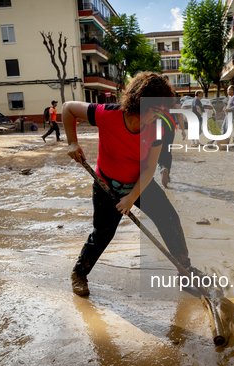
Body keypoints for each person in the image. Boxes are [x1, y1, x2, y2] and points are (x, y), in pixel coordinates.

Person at [63, 72, 203, 296]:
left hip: (140, 183)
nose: (159, 116)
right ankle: (79, 273)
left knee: (170, 219)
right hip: (106, 183)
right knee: (103, 233)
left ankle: (185, 272)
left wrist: (131, 197)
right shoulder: (107, 114)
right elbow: (68, 108)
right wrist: (72, 142)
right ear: (139, 101)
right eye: (155, 109)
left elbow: (149, 169)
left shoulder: (158, 126)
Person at [158, 92, 186, 187]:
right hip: (170, 123)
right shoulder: (174, 95)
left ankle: (162, 168)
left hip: (157, 123)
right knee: (168, 149)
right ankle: (167, 172)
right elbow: (179, 114)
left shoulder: (155, 93)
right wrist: (183, 130)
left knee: (158, 148)